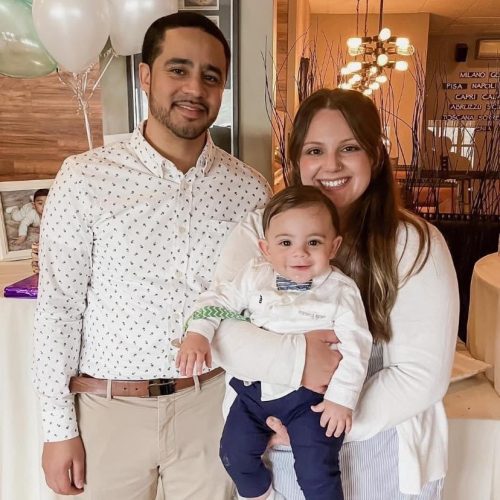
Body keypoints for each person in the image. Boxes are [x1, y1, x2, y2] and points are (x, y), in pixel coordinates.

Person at [33, 12, 272, 500]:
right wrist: (58, 429)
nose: (195, 88)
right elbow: (58, 307)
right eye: (178, 69)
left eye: (211, 76)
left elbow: (263, 308)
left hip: (213, 406)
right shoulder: (84, 178)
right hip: (109, 409)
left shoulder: (249, 192)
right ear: (145, 75)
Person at [209, 88, 459, 499]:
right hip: (273, 444)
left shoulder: (412, 242)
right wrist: (297, 370)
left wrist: (316, 428)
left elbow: (420, 377)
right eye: (314, 150)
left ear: (375, 157)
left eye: (349, 148)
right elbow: (224, 327)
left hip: (379, 452)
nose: (331, 165)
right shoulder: (259, 230)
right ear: (295, 161)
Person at [178, 185, 372, 499]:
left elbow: (357, 346)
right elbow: (217, 301)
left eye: (313, 242)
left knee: (317, 471)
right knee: (233, 453)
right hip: (254, 392)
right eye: (285, 242)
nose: (299, 252)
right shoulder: (253, 275)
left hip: (312, 401)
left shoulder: (341, 290)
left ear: (334, 246)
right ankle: (258, 493)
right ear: (266, 249)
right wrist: (198, 332)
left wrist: (342, 399)